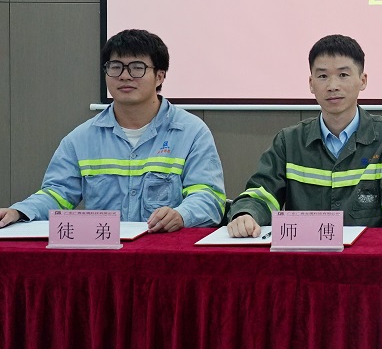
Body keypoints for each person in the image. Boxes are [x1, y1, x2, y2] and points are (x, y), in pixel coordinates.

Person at [0, 29, 226, 232]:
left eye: (137, 68)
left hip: (164, 253)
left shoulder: (191, 133)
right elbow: (57, 194)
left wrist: (181, 214)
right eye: (115, 67)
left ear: (160, 76)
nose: (124, 76)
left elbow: (209, 197)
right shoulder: (81, 139)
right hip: (104, 254)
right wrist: (19, 211)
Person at [227, 34, 382, 237]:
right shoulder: (289, 142)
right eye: (322, 76)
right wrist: (246, 214)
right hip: (304, 254)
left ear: (362, 81)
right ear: (311, 84)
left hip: (367, 255)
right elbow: (261, 194)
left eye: (343, 75)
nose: (332, 86)